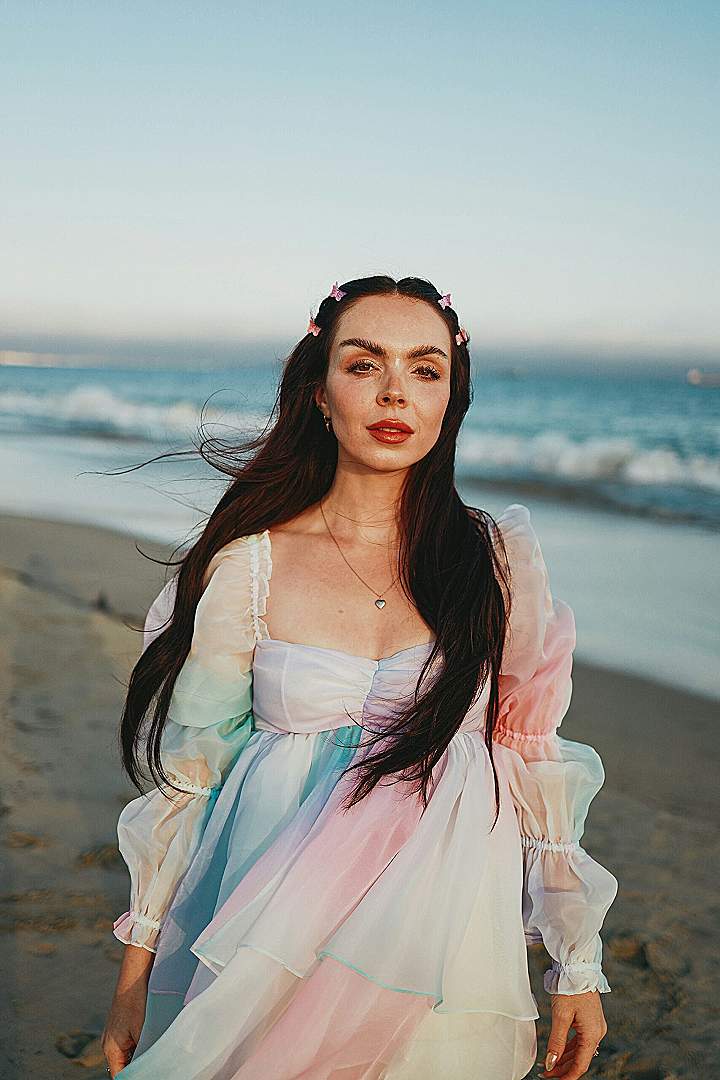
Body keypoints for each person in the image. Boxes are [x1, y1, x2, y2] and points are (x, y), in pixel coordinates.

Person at [101, 275, 618, 1080]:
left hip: (439, 928)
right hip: (272, 909)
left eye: (425, 368)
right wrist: (136, 970)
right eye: (363, 363)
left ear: (452, 398)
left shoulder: (495, 563)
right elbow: (192, 778)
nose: (394, 393)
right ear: (318, 390)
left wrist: (574, 965)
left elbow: (532, 756)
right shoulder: (251, 566)